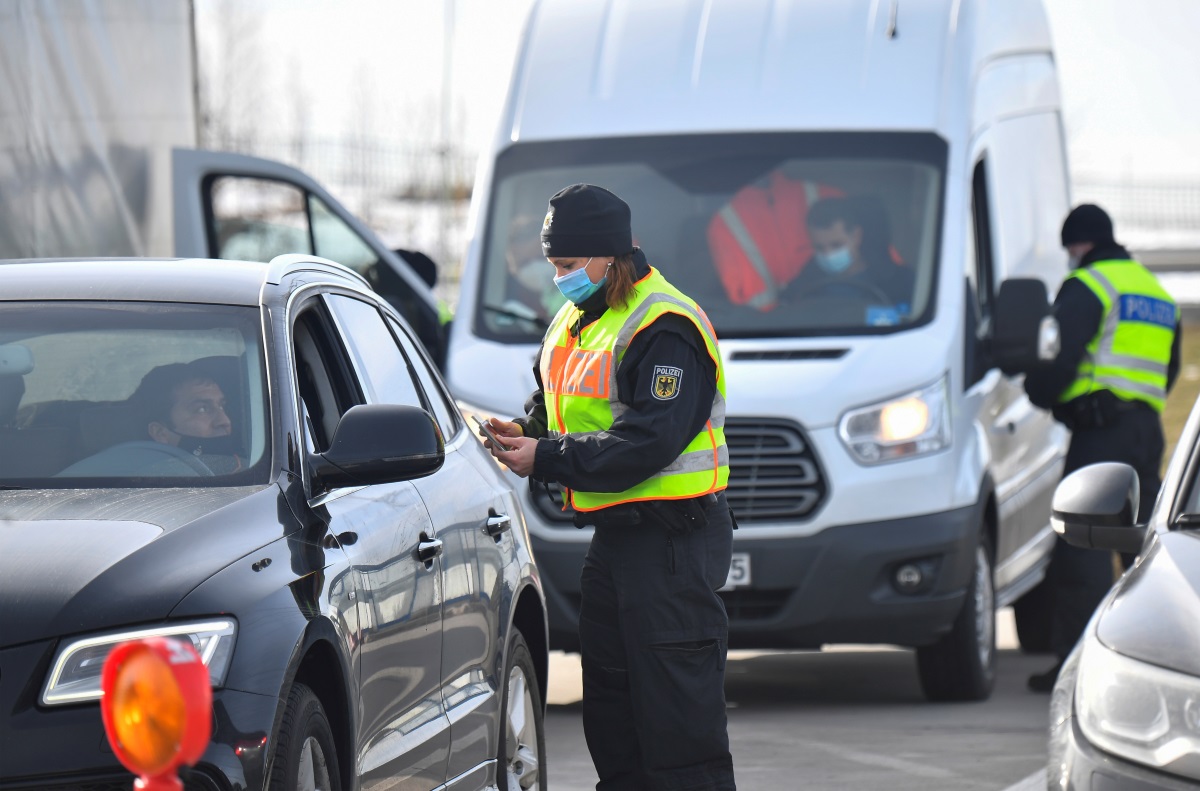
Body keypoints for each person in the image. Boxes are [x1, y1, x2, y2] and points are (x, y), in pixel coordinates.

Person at [482, 184, 737, 790]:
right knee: (614, 720)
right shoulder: (577, 318)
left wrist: (545, 457)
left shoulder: (665, 324)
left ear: (610, 257)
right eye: (554, 266)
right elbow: (558, 407)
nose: (559, 279)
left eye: (568, 266)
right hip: (616, 545)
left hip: (674, 543)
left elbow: (649, 443)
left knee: (678, 732)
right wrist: (525, 432)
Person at [1023, 203, 1181, 693]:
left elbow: (1059, 358)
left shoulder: (1090, 285)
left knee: (1083, 545)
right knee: (1144, 550)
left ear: (1079, 244)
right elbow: (1169, 371)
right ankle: (1152, 665)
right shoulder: (1158, 294)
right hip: (1145, 430)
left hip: (1101, 431)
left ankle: (1076, 670)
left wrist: (1043, 394)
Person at [59, 361, 243, 477]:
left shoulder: (253, 467)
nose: (224, 420)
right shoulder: (147, 479)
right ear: (160, 432)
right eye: (202, 409)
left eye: (222, 406)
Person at [783, 196, 915, 323]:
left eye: (836, 245)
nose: (828, 254)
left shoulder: (898, 283)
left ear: (856, 236)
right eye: (819, 247)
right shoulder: (801, 287)